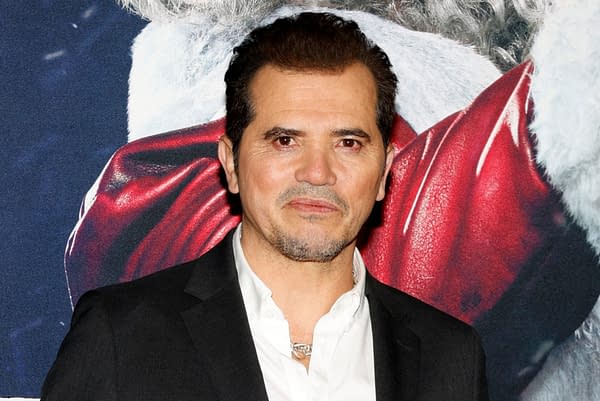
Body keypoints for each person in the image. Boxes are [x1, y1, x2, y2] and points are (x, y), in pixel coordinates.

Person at [42, 12, 488, 401]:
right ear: (231, 164)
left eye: (348, 143)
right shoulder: (121, 335)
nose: (317, 172)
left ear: (385, 170)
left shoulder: (450, 355)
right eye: (285, 141)